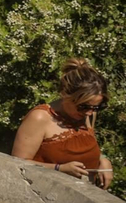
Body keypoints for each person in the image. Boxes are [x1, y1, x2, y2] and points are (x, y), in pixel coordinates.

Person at [11, 58, 113, 189]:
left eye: (96, 107)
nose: (89, 112)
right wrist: (59, 169)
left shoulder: (87, 114)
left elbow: (86, 146)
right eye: (83, 106)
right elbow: (18, 163)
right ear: (65, 95)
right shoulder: (40, 118)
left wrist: (103, 159)